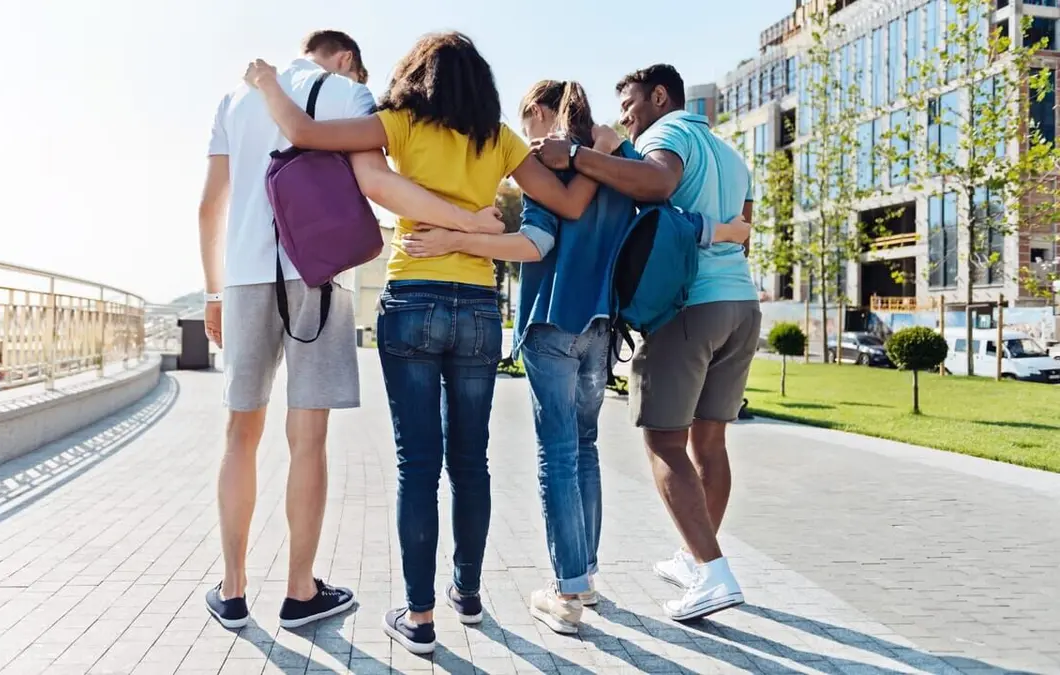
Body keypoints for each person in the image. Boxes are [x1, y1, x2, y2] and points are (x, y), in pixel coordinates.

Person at [243, 32, 614, 654]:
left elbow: (303, 134)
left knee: (418, 465)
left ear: (417, 76)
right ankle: (466, 594)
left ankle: (418, 619)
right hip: (475, 307)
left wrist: (266, 83)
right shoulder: (497, 138)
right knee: (472, 461)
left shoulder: (400, 122)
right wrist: (598, 155)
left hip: (411, 299)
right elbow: (573, 204)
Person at [402, 80, 751, 634]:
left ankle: (565, 591)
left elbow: (535, 245)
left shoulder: (554, 163)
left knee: (558, 455)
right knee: (584, 450)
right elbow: (665, 213)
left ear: (540, 112)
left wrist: (455, 240)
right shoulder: (619, 159)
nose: (527, 137)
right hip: (600, 329)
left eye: (527, 120)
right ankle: (584, 577)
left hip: (552, 321)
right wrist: (727, 229)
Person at [198, 29, 506, 631]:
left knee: (241, 433)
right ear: (345, 59)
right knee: (306, 438)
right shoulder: (346, 93)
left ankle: (232, 592)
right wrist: (467, 221)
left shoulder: (235, 99)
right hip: (317, 277)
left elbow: (211, 203)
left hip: (242, 280)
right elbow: (379, 184)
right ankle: (299, 591)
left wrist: (213, 290)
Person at [535, 64, 760, 622]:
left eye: (632, 102)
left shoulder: (668, 133)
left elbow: (657, 183)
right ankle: (692, 558)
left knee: (664, 444)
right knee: (710, 445)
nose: (627, 116)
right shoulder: (731, 155)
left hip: (689, 308)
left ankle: (712, 573)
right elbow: (745, 230)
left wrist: (578, 157)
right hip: (741, 306)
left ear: (661, 96)